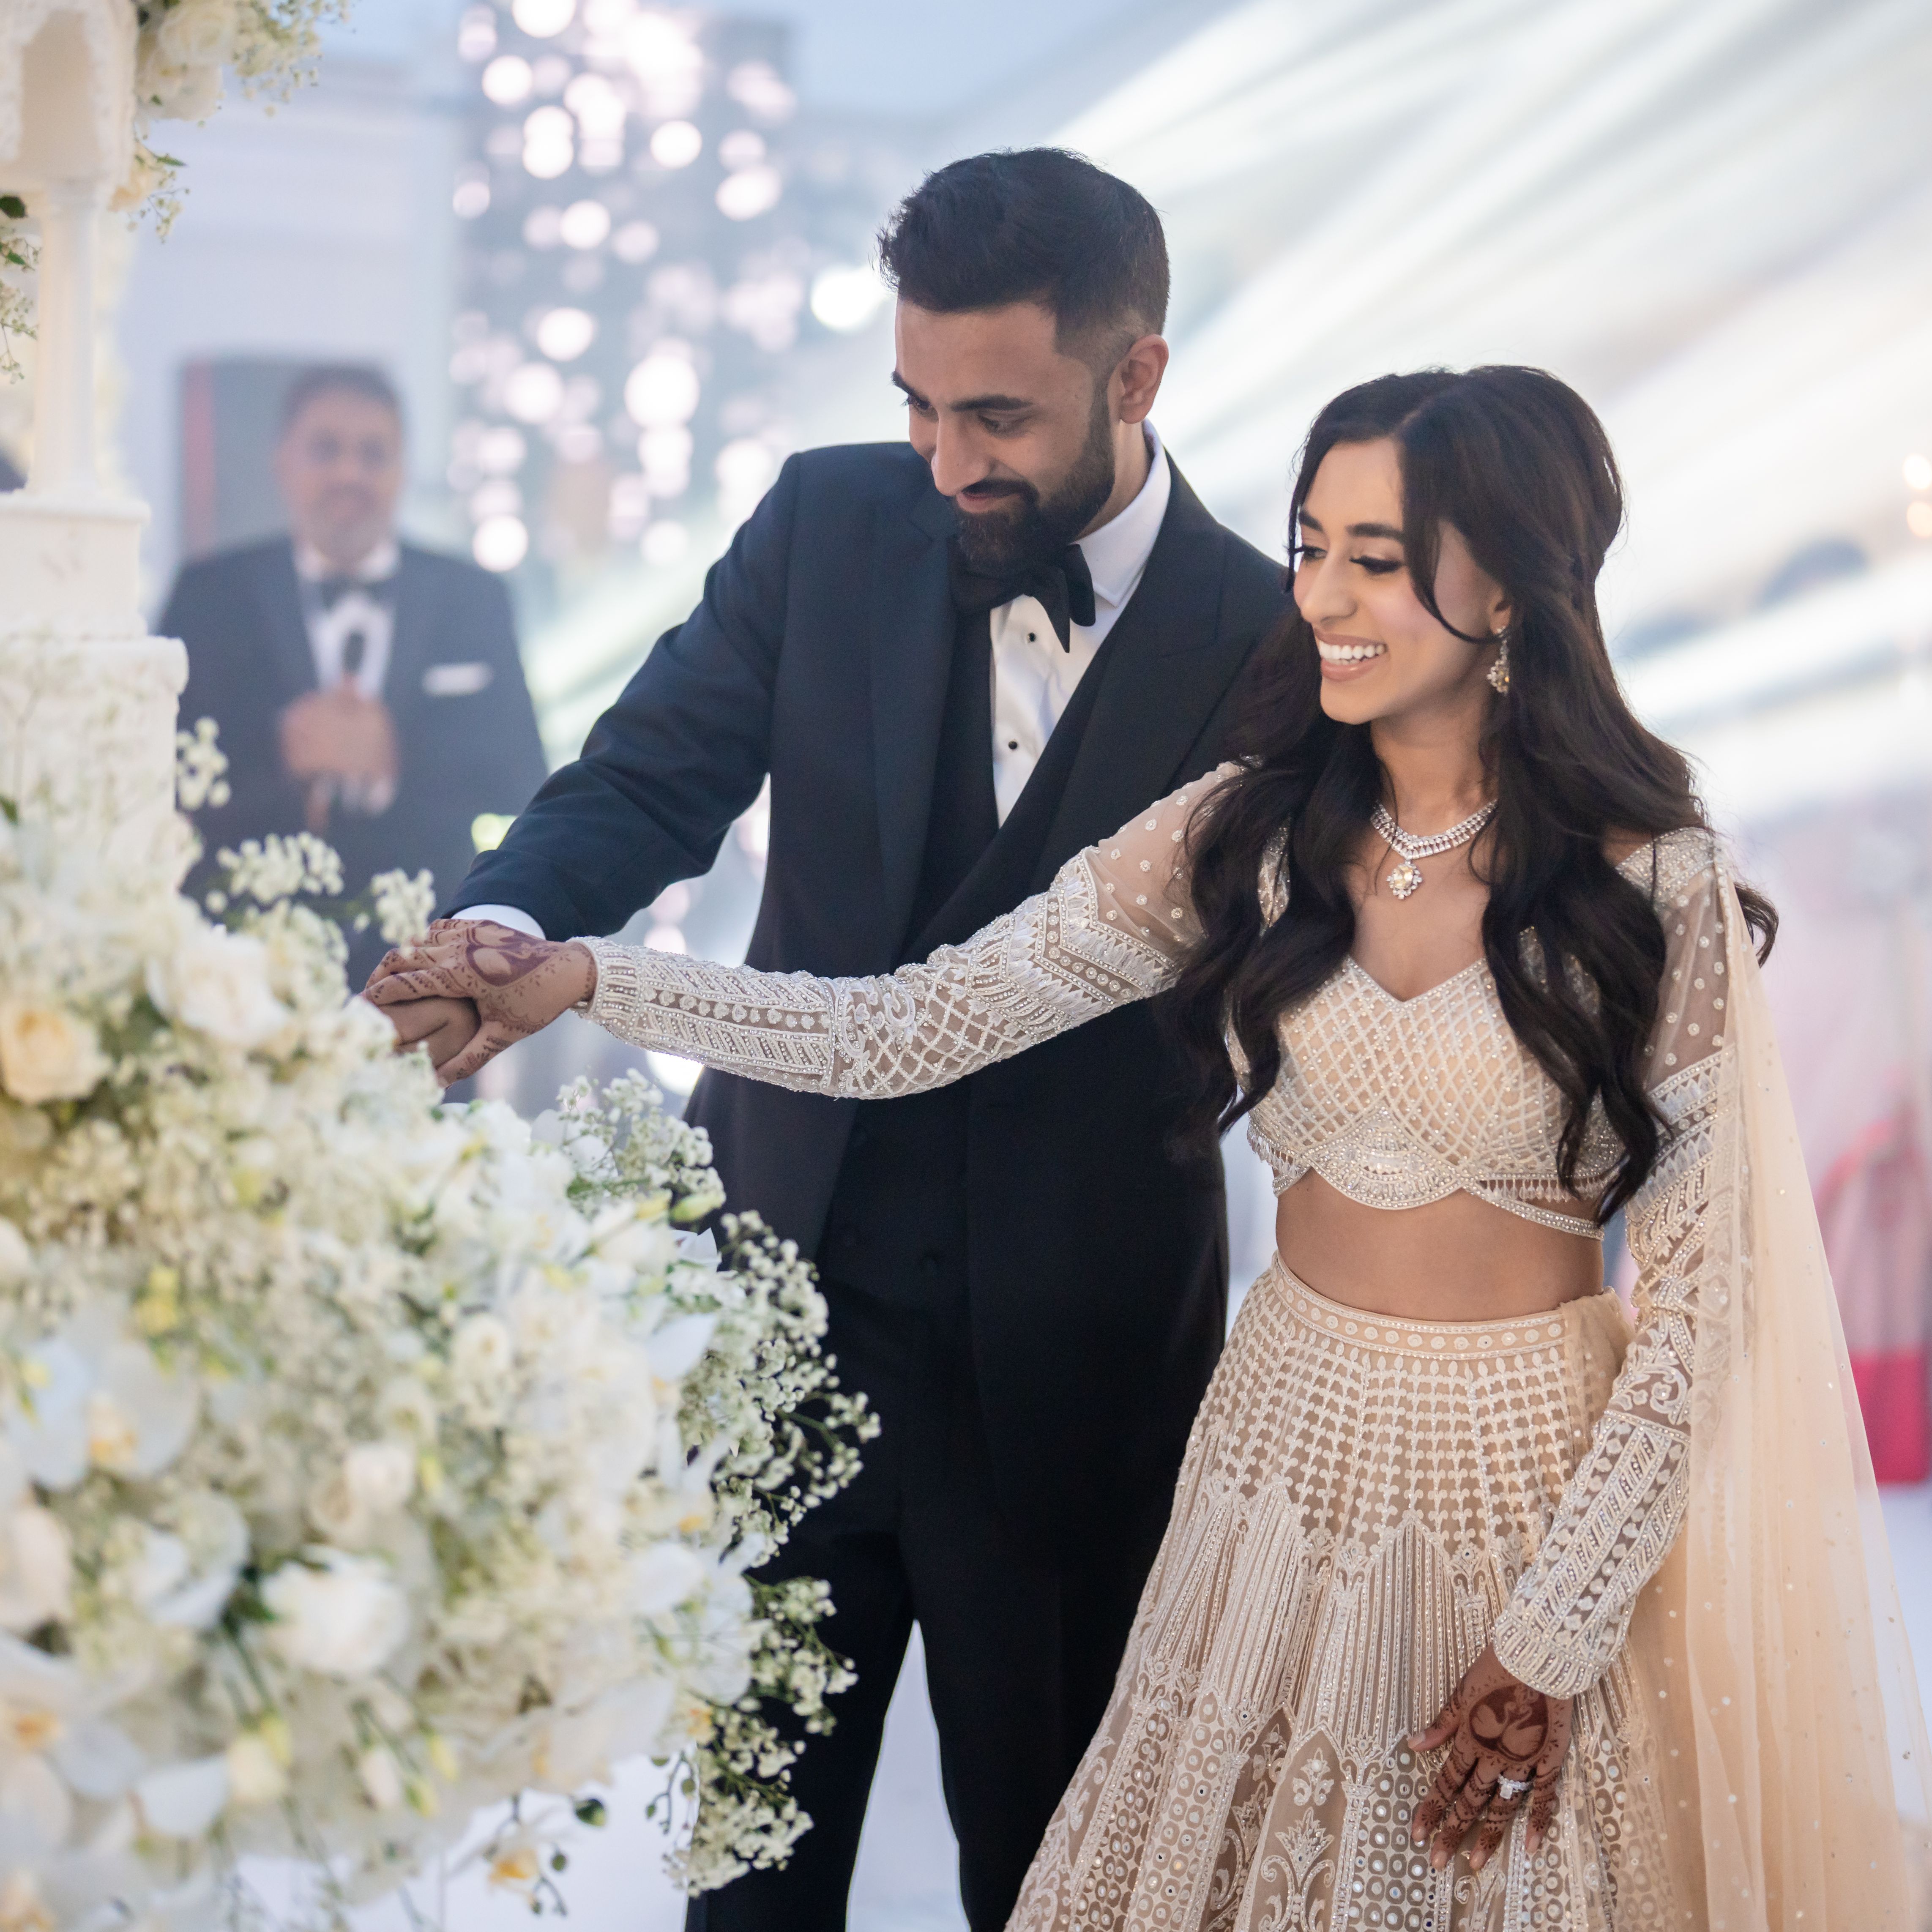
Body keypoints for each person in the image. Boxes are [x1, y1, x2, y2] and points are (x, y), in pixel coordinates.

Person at [370, 366, 1932, 1929]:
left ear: (1511, 586)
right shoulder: (1244, 835)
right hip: (1276, 1462)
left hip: (1532, 1485)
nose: (1316, 595)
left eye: (1372, 560)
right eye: (1310, 543)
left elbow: (1702, 1307)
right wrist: (587, 977)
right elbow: (907, 1027)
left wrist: (1553, 1639)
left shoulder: (1650, 885)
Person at [389, 150, 1287, 1930]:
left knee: (1053, 1880)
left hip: (1079, 1362)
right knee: (747, 1878)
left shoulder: (1267, 636)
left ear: (1139, 378)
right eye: (919, 404)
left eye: (999, 416)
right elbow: (646, 780)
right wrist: (499, 928)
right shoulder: (826, 524)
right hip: (779, 1319)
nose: (950, 459)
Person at [163, 365, 547, 978]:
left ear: (403, 468)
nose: (350, 473)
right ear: (282, 461)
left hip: (425, 961)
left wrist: (397, 752)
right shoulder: (209, 593)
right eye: (326, 449)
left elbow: (522, 775)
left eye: (374, 453)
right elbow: (161, 770)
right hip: (239, 956)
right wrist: (285, 756)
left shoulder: (474, 597)